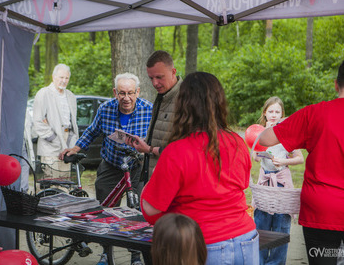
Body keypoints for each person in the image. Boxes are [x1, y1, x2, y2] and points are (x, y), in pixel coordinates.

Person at [141, 72, 259, 265]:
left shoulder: (176, 151)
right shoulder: (237, 142)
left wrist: (152, 182)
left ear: (183, 105)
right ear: (219, 102)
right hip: (246, 237)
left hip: (204, 242)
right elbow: (242, 183)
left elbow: (150, 208)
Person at [60, 72, 152, 265]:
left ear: (138, 92)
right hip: (111, 165)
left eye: (130, 93)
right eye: (121, 93)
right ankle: (105, 252)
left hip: (136, 167)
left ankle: (135, 256)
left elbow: (156, 138)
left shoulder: (149, 110)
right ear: (115, 92)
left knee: (137, 214)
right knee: (105, 212)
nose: (126, 98)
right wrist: (75, 148)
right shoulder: (105, 109)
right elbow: (92, 132)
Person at [259, 60, 344, 265]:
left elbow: (265, 139)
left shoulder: (315, 113)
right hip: (322, 212)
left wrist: (279, 124)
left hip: (321, 210)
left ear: (336, 84)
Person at [252, 96, 304, 265]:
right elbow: (256, 158)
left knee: (281, 229)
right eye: (271, 111)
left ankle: (276, 262)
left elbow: (299, 158)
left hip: (281, 184)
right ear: (265, 113)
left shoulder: (287, 132)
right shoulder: (259, 132)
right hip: (265, 185)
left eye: (277, 111)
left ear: (282, 114)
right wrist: (262, 141)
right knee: (262, 227)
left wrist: (283, 161)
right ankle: (260, 261)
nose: (274, 115)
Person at [126, 50, 182, 183]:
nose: (155, 83)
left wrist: (149, 149)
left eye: (159, 77)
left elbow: (184, 151)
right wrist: (143, 143)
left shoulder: (185, 99)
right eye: (151, 78)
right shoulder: (163, 95)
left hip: (172, 179)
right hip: (154, 176)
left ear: (173, 72)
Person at [33, 63, 78, 179]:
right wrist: (54, 138)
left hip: (68, 141)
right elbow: (38, 121)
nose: (64, 80)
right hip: (50, 144)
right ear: (54, 77)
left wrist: (71, 143)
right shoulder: (44, 93)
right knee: (52, 181)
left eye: (66, 78)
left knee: (65, 180)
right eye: (61, 77)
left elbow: (73, 123)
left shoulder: (71, 96)